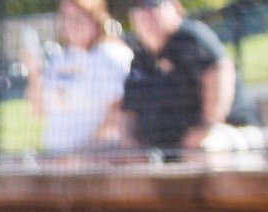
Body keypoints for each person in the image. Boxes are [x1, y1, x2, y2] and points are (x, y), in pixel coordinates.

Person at [120, 0, 246, 159]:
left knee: (203, 149)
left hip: (227, 130)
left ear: (176, 8)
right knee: (112, 156)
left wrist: (205, 127)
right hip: (163, 145)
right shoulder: (141, 57)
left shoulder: (191, 38)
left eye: (152, 6)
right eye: (137, 8)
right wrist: (130, 144)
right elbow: (127, 112)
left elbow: (221, 71)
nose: (145, 13)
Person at [26, 0, 134, 157]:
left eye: (78, 17)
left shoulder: (112, 55)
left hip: (97, 159)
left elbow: (118, 115)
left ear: (95, 18)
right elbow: (38, 112)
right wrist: (34, 75)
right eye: (66, 17)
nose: (71, 24)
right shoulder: (59, 59)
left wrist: (82, 154)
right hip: (56, 157)